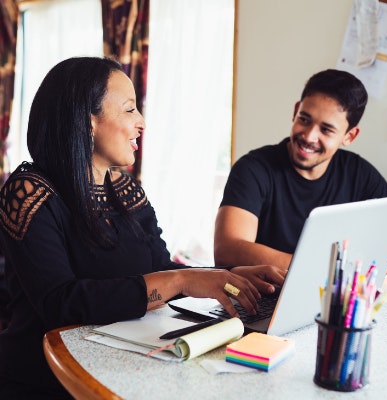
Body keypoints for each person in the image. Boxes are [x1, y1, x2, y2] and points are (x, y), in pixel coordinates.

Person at [0, 57, 286, 399]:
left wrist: (229, 276)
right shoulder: (28, 191)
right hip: (48, 378)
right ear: (85, 121)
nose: (141, 123)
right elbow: (60, 303)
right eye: (129, 110)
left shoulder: (125, 189)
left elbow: (160, 269)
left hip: (121, 363)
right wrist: (180, 280)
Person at [214, 69, 387, 273]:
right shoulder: (253, 168)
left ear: (350, 136)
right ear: (295, 112)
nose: (309, 136)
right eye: (304, 119)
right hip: (259, 299)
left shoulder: (359, 173)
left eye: (326, 130)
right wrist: (329, 271)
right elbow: (227, 251)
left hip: (330, 299)